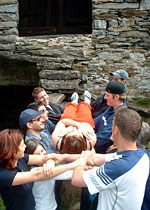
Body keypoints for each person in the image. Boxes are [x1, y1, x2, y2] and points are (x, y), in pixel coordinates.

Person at [71, 107, 150, 210]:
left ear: (116, 130)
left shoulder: (118, 167)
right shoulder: (140, 155)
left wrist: (82, 159)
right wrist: (58, 158)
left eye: (111, 125)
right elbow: (96, 159)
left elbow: (76, 180)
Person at [0, 129, 82, 210]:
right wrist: (72, 165)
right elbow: (37, 175)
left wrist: (50, 162)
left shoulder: (20, 159)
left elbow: (46, 157)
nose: (25, 147)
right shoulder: (4, 176)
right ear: (11, 150)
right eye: (21, 145)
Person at [94, 80, 127, 154]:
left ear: (117, 97)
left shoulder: (120, 116)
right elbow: (98, 120)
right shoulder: (111, 108)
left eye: (107, 95)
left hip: (102, 154)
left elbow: (103, 138)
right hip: (94, 143)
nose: (105, 97)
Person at [25, 138, 57, 210]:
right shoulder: (37, 171)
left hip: (50, 205)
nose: (43, 155)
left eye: (42, 150)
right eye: (38, 154)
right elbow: (64, 173)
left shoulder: (44, 165)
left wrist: (51, 161)